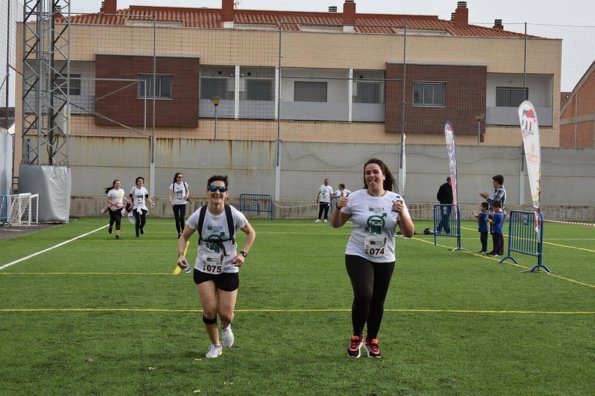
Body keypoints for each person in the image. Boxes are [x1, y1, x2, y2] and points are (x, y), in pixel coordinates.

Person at [331, 158, 414, 359]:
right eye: (367, 173)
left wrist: (402, 213)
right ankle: (357, 336)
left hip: (385, 257)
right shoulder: (355, 197)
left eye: (375, 172)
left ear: (384, 175)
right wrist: (337, 207)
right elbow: (336, 224)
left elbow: (409, 232)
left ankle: (372, 339)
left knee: (378, 300)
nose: (371, 176)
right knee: (364, 294)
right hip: (357, 253)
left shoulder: (396, 199)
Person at [177, 175, 256, 359]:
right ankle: (215, 345)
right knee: (210, 310)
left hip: (229, 267)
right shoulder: (199, 215)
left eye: (221, 190)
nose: (217, 193)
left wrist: (243, 254)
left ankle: (226, 326)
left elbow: (251, 233)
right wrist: (181, 254)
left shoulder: (233, 214)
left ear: (226, 194)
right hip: (204, 267)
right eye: (213, 189)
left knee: (226, 314)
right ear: (207, 192)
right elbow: (183, 236)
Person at [480, 174, 507, 253]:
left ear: (497, 182)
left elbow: (495, 201)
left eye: (493, 182)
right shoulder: (497, 190)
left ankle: (499, 250)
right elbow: (493, 201)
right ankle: (495, 250)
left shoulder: (501, 190)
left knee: (498, 233)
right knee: (494, 232)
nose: (492, 183)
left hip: (499, 214)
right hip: (495, 213)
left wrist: (486, 197)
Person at [169, 172, 190, 238]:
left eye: (181, 177)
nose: (180, 178)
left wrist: (187, 195)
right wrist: (171, 201)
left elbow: (188, 191)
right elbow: (169, 194)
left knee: (181, 218)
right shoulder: (173, 185)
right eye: (179, 177)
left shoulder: (184, 184)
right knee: (177, 219)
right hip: (175, 204)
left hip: (183, 203)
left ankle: (183, 232)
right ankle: (179, 232)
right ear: (176, 178)